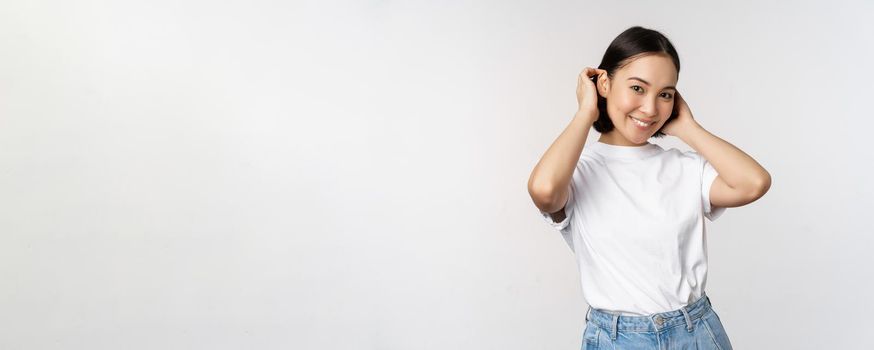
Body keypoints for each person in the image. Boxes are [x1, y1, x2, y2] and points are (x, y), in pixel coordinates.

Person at [527, 26, 771, 349]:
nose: (651, 108)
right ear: (604, 83)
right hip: (617, 339)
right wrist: (586, 111)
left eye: (665, 94)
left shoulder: (685, 167)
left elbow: (754, 183)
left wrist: (688, 128)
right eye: (638, 88)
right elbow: (544, 191)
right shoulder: (579, 171)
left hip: (696, 332)